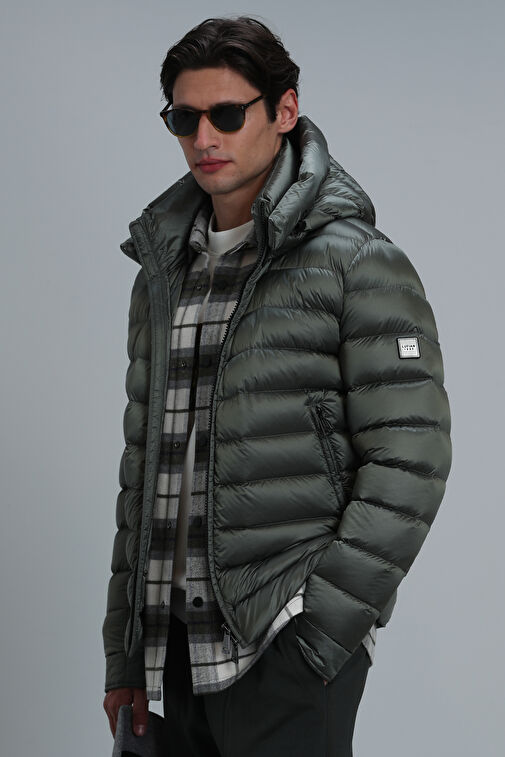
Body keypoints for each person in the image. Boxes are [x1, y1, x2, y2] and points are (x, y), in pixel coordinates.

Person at [102, 16, 452, 757]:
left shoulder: (356, 262)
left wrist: (319, 631)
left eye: (227, 114)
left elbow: (410, 459)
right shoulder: (162, 272)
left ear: (283, 110)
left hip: (279, 645)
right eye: (184, 119)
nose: (204, 137)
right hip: (171, 648)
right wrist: (126, 653)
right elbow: (144, 471)